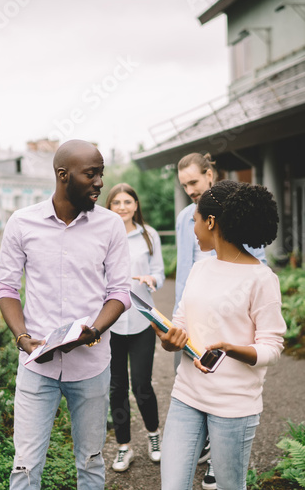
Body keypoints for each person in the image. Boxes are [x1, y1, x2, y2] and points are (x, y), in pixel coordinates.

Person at [0, 140, 132, 490]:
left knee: (90, 461)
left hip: (91, 365)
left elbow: (119, 292)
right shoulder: (22, 223)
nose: (100, 182)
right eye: (91, 174)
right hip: (36, 365)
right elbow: (7, 289)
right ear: (63, 175)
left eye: (101, 173)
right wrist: (22, 339)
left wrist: (95, 330)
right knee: (25, 466)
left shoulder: (112, 226)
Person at [151, 180, 286, 490]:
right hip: (187, 395)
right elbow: (182, 322)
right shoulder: (200, 270)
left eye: (195, 220)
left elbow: (272, 347)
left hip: (233, 405)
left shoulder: (262, 278)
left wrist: (232, 349)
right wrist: (171, 338)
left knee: (228, 486)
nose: (193, 229)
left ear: (210, 221)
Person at [174, 151, 267, 489]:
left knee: (226, 388)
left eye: (194, 182)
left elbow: (256, 259)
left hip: (230, 318)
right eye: (184, 185)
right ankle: (199, 445)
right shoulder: (187, 216)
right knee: (190, 384)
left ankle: (219, 461)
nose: (190, 190)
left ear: (209, 174)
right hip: (193, 313)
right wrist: (176, 321)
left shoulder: (239, 209)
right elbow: (185, 270)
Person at [105, 183, 165, 472]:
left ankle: (154, 437)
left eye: (127, 201)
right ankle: (123, 447)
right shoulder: (102, 236)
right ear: (109, 206)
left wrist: (152, 280)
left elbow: (160, 273)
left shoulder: (149, 235)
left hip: (142, 320)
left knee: (142, 383)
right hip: (112, 323)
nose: (122, 207)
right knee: (117, 387)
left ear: (136, 205)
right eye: (116, 202)